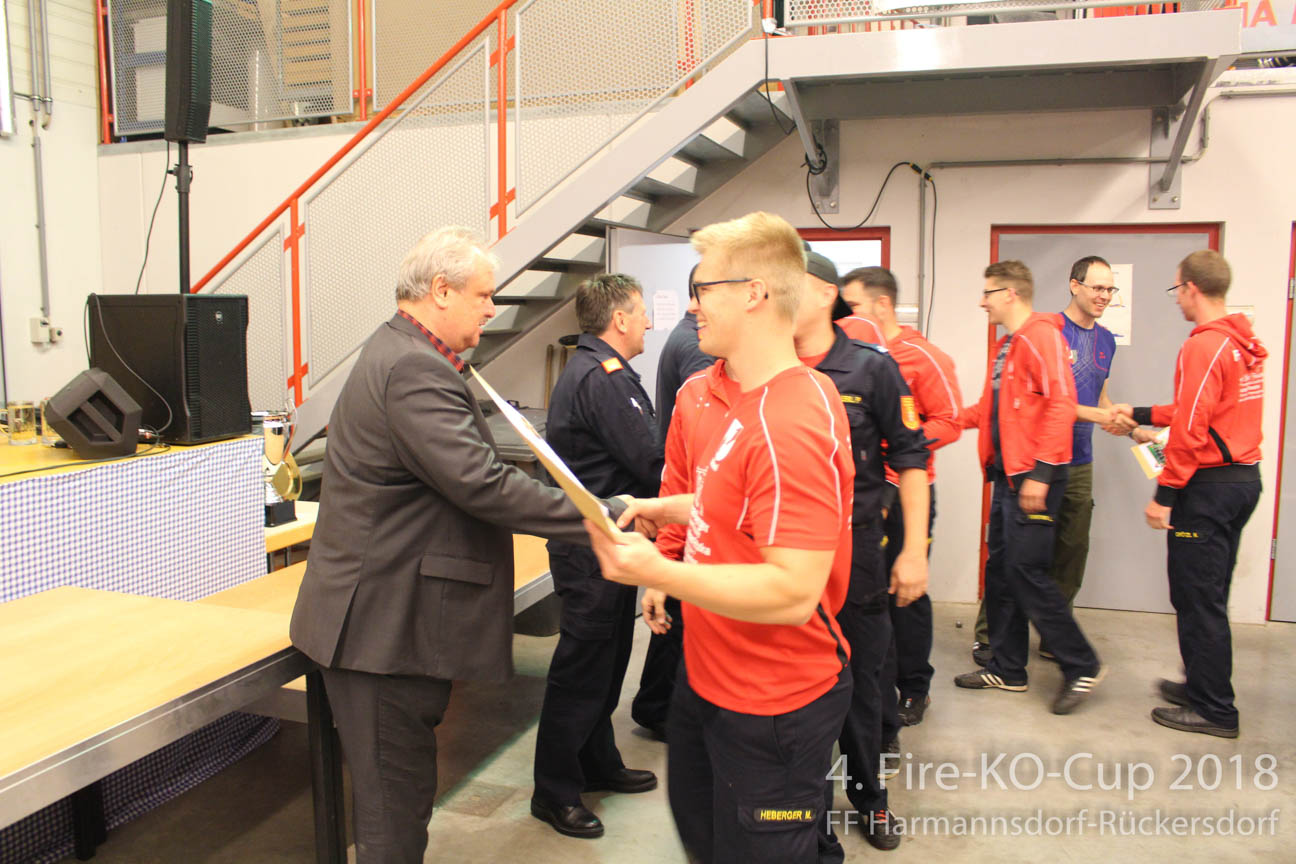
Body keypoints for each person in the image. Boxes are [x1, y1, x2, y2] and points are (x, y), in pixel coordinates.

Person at [288, 227, 625, 864]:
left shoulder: (407, 352)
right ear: (440, 291)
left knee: (401, 798)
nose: (492, 308)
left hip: (388, 621)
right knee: (393, 814)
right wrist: (601, 515)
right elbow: (481, 483)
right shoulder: (413, 367)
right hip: (379, 629)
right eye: (483, 295)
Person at [586, 211, 855, 864]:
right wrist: (658, 511)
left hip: (772, 704)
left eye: (704, 288)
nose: (692, 305)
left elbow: (792, 591)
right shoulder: (729, 394)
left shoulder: (791, 420)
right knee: (705, 838)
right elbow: (724, 504)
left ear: (755, 292)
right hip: (708, 676)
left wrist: (656, 573)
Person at [798, 253, 932, 852]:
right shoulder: (767, 368)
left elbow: (911, 458)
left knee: (861, 680)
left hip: (856, 552)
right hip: (786, 554)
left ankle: (870, 799)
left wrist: (914, 551)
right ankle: (807, 807)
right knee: (798, 687)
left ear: (826, 294)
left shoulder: (870, 368)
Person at [532, 274, 665, 838]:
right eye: (641, 312)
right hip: (590, 548)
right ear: (619, 319)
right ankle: (554, 791)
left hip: (605, 542)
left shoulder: (596, 369)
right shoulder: (602, 377)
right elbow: (649, 458)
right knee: (582, 670)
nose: (648, 322)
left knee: (607, 663)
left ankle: (596, 762)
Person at [1121, 250, 1264, 738]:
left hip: (1208, 490)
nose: (1177, 298)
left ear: (1191, 289)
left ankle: (1215, 710)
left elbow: (1190, 431)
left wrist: (1163, 495)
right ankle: (1201, 685)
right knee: (1209, 594)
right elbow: (1196, 409)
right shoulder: (1242, 342)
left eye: (1176, 289)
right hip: (1241, 481)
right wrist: (1139, 413)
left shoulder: (1204, 345)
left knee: (1198, 599)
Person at [953, 260, 1106, 715]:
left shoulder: (1041, 336)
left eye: (987, 293)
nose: (981, 302)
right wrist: (936, 424)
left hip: (1034, 477)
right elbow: (988, 410)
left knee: (1028, 572)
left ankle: (1082, 664)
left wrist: (1041, 474)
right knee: (1002, 571)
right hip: (1007, 477)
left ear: (1010, 294)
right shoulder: (1007, 346)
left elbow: (1061, 403)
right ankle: (1008, 668)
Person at [970, 256, 1138, 666]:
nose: (1104, 296)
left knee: (1068, 552)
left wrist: (1133, 429)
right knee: (1015, 557)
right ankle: (992, 639)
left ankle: (1054, 639)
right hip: (1040, 461)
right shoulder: (1048, 331)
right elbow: (1055, 403)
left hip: (1078, 461)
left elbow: (1099, 399)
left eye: (1110, 289)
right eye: (1097, 287)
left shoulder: (1106, 341)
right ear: (1074, 286)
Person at [839, 266, 963, 731]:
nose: (843, 315)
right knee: (866, 598)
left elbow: (950, 421)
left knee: (906, 593)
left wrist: (895, 445)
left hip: (908, 491)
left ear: (883, 304)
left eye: (852, 306)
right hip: (863, 497)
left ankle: (914, 687)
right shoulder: (844, 357)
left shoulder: (922, 356)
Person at [630, 265, 714, 740]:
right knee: (678, 616)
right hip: (688, 497)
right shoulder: (698, 348)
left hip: (682, 494)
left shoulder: (685, 339)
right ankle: (658, 707)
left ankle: (656, 704)